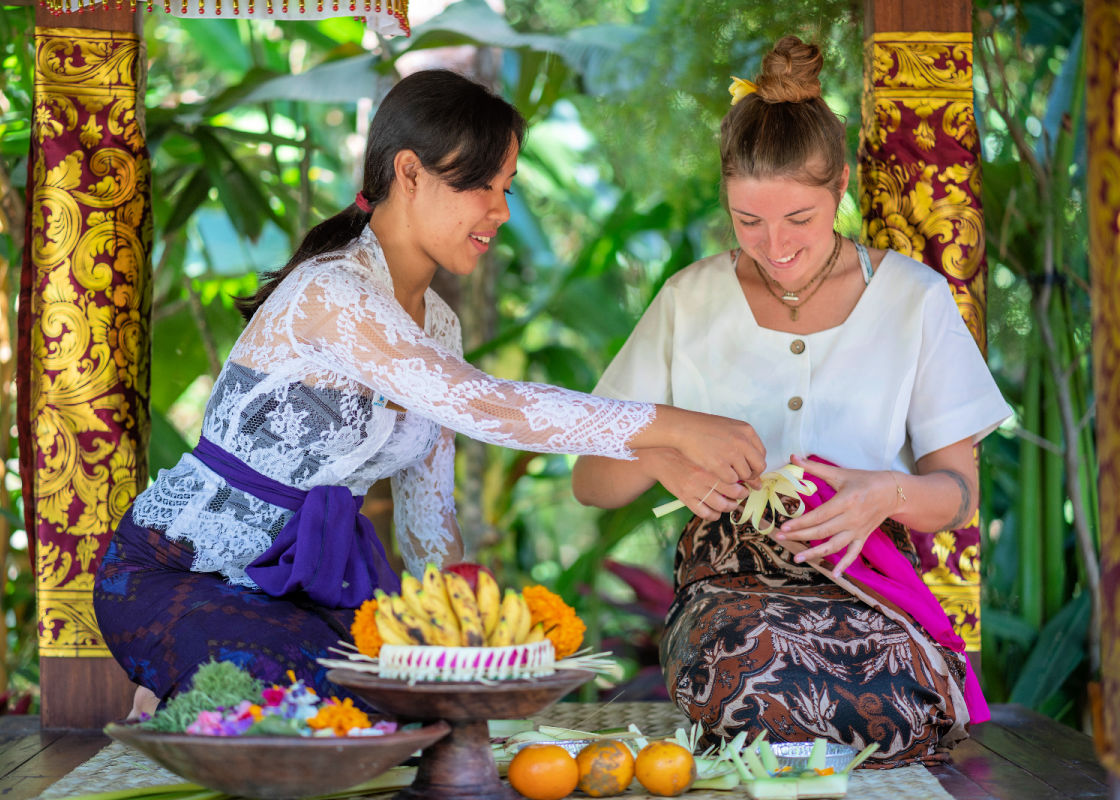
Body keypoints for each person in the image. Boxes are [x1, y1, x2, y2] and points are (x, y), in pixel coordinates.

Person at [94, 69, 767, 719]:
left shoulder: (438, 325)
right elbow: (486, 406)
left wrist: (458, 646)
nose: (500, 212)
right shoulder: (336, 292)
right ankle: (178, 695)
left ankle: (190, 699)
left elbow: (428, 517)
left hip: (296, 597)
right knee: (333, 711)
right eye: (480, 186)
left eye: (506, 188)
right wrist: (673, 426)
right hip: (179, 575)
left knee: (419, 706)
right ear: (409, 173)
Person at [571, 37, 1011, 766]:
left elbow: (957, 496)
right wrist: (667, 459)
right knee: (756, 672)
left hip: (867, 588)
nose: (773, 246)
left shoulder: (914, 299)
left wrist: (886, 493)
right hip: (729, 590)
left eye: (799, 220)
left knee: (901, 698)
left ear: (839, 186)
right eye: (748, 221)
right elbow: (591, 480)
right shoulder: (690, 298)